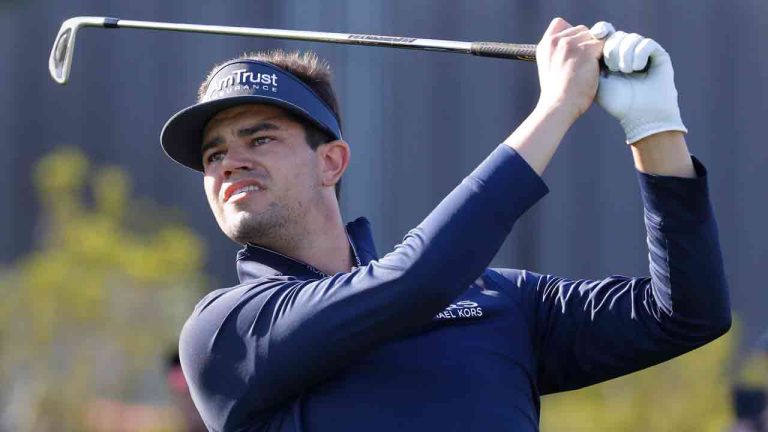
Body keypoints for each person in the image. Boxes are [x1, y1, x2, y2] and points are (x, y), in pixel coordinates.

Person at [164, 18, 731, 431]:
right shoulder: (226, 331)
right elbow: (411, 282)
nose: (229, 162)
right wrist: (555, 108)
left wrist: (654, 128)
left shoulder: (500, 302)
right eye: (213, 155)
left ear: (330, 161)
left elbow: (686, 314)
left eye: (259, 138)